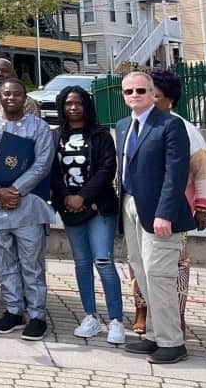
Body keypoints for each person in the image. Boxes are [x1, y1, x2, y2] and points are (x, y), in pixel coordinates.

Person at [116, 71, 195, 364]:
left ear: (152, 93)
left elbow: (175, 175)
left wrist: (165, 213)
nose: (134, 96)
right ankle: (153, 335)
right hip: (130, 205)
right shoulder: (124, 125)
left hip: (160, 213)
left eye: (140, 90)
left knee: (159, 275)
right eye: (128, 92)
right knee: (141, 270)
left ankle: (172, 342)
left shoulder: (170, 125)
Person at [128, 70, 206, 338]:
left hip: (174, 211)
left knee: (173, 269)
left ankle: (176, 321)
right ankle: (146, 314)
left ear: (170, 100)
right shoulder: (135, 124)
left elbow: (200, 170)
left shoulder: (182, 128)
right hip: (140, 211)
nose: (148, 99)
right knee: (140, 265)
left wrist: (202, 207)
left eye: (156, 95)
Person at [0, 77, 55, 341]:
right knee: (4, 264)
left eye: (17, 94)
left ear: (25, 97)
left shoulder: (39, 127)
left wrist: (17, 189)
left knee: (32, 265)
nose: (11, 98)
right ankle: (12, 310)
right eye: (6, 94)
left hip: (28, 207)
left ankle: (37, 315)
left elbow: (43, 163)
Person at [49, 85, 124, 344]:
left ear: (86, 105)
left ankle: (116, 320)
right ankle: (90, 316)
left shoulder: (101, 135)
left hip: (99, 207)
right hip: (70, 209)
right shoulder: (55, 136)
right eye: (68, 103)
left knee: (103, 260)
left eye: (78, 103)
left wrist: (84, 197)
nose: (73, 107)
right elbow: (52, 173)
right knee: (81, 263)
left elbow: (107, 169)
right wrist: (68, 199)